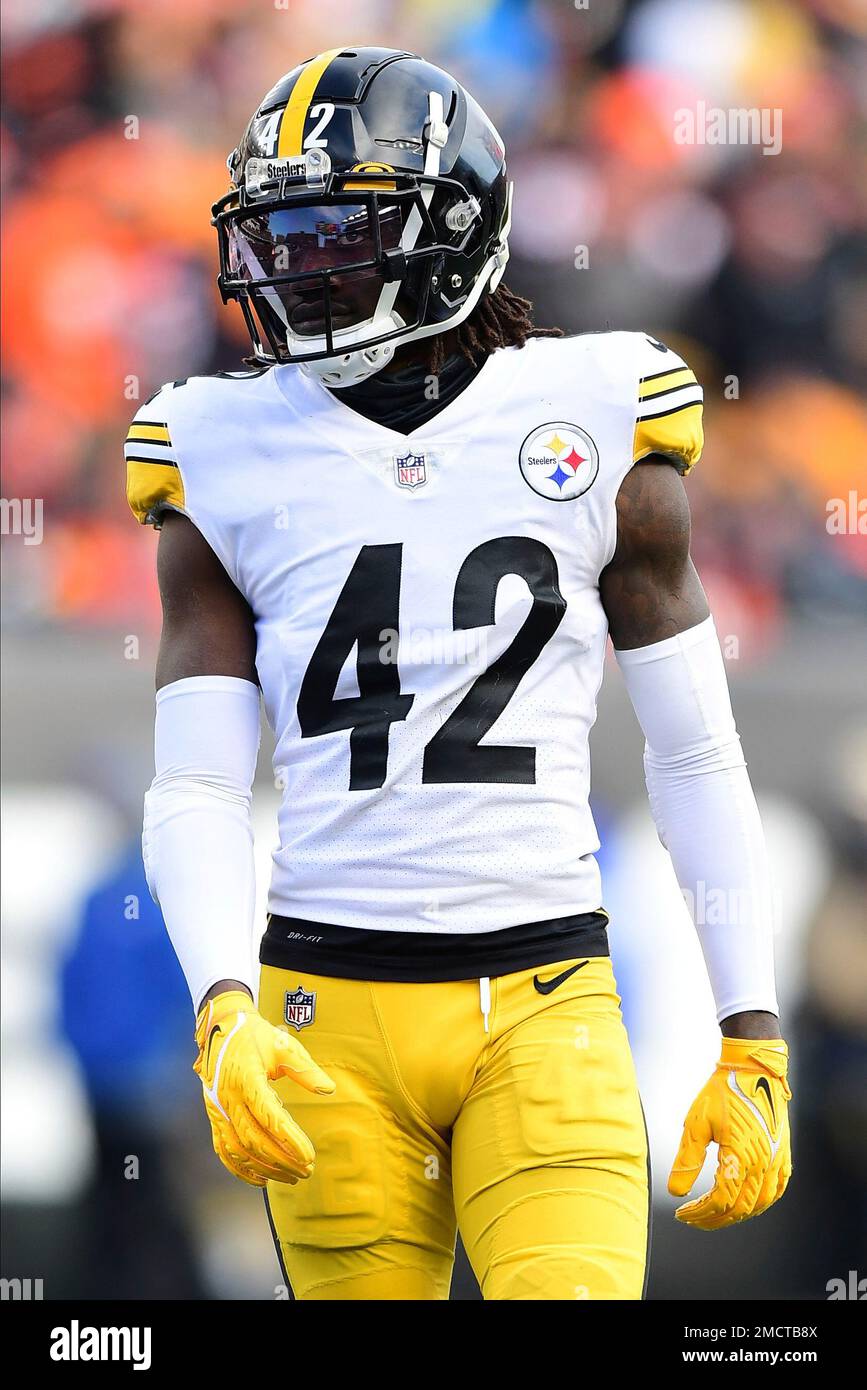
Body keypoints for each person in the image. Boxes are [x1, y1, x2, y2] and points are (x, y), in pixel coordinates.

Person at [127, 46, 791, 1301]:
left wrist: (751, 1034)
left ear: (452, 228)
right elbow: (200, 785)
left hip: (545, 998)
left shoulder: (600, 413)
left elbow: (695, 750)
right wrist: (221, 1006)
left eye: (336, 232)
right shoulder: (217, 448)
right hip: (321, 1014)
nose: (295, 269)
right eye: (281, 237)